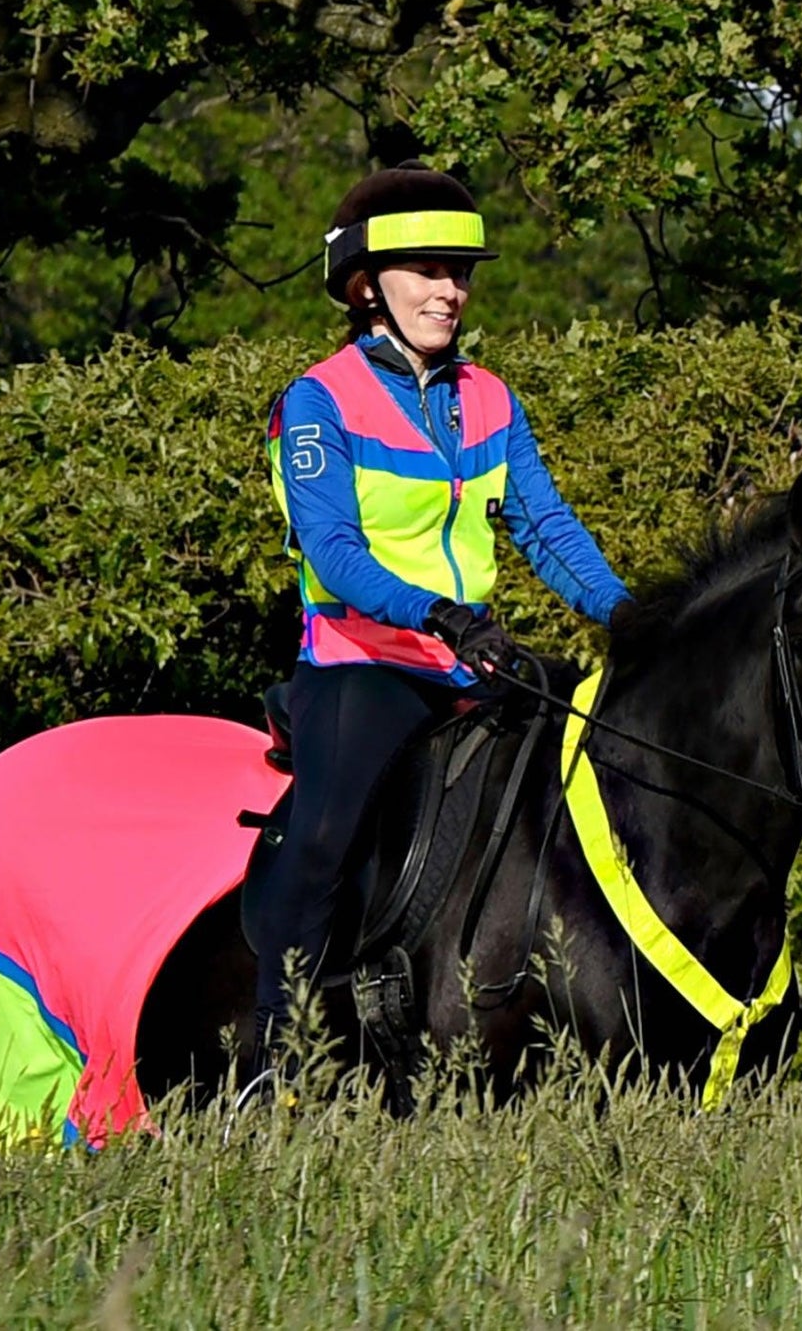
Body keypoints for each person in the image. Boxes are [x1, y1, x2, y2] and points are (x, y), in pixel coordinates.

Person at [257, 159, 630, 1072]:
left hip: (474, 664)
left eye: (459, 272)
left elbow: (547, 528)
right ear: (365, 287)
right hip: (363, 664)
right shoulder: (316, 403)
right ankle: (273, 1066)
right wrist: (436, 612)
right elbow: (335, 551)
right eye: (427, 269)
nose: (450, 289)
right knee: (321, 841)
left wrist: (634, 619)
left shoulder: (491, 398)